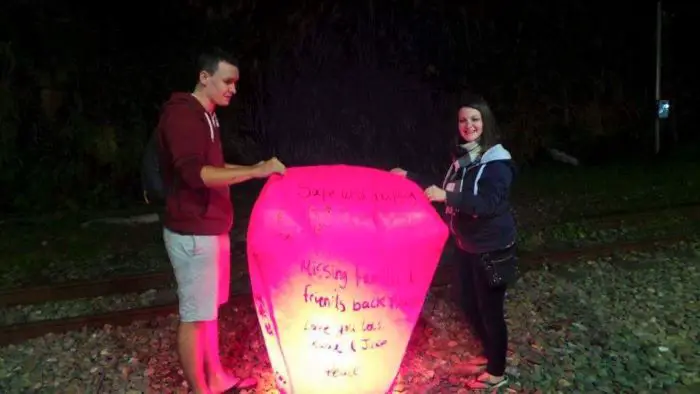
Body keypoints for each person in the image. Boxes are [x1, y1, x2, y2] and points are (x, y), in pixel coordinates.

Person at [157, 48, 286, 394]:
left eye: (235, 83)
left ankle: (215, 378)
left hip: (210, 228)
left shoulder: (208, 116)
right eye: (227, 81)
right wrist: (256, 170)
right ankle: (200, 389)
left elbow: (216, 167)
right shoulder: (183, 117)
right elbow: (196, 173)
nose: (233, 88)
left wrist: (255, 171)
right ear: (204, 77)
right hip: (193, 232)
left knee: (207, 311)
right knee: (195, 315)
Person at [391, 93, 517, 390]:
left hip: (491, 248)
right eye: (463, 120)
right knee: (468, 304)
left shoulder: (497, 163)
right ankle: (490, 355)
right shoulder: (465, 159)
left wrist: (445, 197)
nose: (468, 125)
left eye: (474, 119)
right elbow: (442, 185)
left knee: (490, 311)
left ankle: (497, 373)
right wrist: (408, 176)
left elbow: (486, 203)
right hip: (466, 245)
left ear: (486, 123)